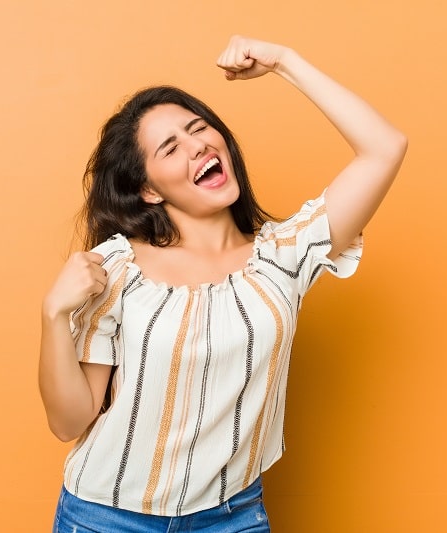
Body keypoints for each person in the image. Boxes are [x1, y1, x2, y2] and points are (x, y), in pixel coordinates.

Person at [39, 35, 407, 532]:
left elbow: (385, 148)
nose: (198, 146)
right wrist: (54, 315)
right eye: (171, 148)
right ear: (148, 189)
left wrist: (285, 61)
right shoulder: (117, 269)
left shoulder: (283, 257)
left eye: (199, 129)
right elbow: (68, 422)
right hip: (106, 518)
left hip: (231, 518)